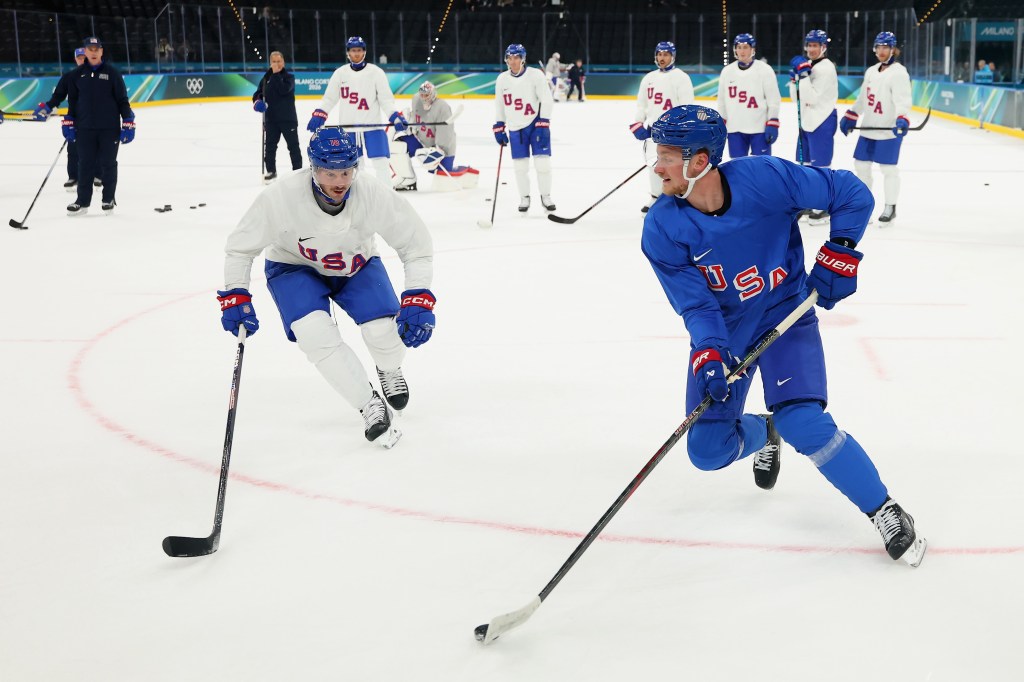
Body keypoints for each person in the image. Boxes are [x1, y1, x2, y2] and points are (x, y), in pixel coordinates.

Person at [640, 104, 927, 568]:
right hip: (729, 332)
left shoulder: (766, 179)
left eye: (667, 155)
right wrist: (710, 354)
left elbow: (851, 193)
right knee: (708, 451)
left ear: (699, 161)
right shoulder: (663, 227)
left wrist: (840, 252)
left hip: (786, 315)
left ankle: (885, 509)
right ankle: (764, 431)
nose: (657, 166)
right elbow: (696, 304)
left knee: (804, 423)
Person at [218, 127, 436, 448]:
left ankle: (389, 368)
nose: (338, 182)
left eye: (346, 171)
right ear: (313, 167)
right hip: (294, 267)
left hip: (355, 265)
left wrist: (418, 294)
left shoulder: (372, 194)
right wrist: (235, 293)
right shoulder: (281, 196)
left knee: (382, 335)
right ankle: (368, 404)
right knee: (314, 335)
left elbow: (415, 243)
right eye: (329, 172)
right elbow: (240, 247)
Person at [306, 36, 408, 186]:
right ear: (348, 53)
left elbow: (386, 99)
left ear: (364, 52)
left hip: (373, 127)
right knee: (355, 167)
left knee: (381, 164)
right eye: (353, 50)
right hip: (349, 129)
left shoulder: (376, 72)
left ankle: (386, 195)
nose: (356, 54)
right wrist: (320, 113)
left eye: (359, 50)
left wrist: (395, 117)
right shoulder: (340, 73)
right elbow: (329, 98)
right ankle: (360, 196)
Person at [839, 32, 912, 225]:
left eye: (885, 47)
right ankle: (864, 206)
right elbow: (863, 98)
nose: (881, 51)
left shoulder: (899, 73)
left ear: (893, 49)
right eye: (878, 47)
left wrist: (902, 118)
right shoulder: (871, 71)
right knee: (861, 166)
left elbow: (903, 100)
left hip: (888, 130)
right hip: (869, 129)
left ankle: (890, 207)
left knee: (888, 169)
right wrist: (852, 114)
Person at [63, 37, 135, 216]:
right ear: (85, 52)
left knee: (108, 164)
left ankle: (108, 199)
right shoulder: (76, 75)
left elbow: (122, 100)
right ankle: (82, 202)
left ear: (101, 52)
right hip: (85, 128)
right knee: (85, 164)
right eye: (90, 49)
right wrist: (69, 120)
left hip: (109, 128)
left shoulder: (112, 73)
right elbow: (73, 101)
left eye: (97, 49)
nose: (93, 52)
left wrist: (128, 121)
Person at [631, 41, 694, 213]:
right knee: (654, 165)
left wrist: (680, 128)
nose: (662, 58)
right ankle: (655, 197)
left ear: (672, 56)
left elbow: (687, 107)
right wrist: (638, 123)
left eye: (665, 54)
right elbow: (642, 105)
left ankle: (677, 198)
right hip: (654, 131)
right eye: (659, 54)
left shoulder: (681, 77)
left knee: (675, 167)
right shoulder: (649, 78)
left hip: (674, 131)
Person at [493, 43, 556, 213]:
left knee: (542, 163)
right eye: (509, 58)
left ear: (523, 59)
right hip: (515, 128)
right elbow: (499, 104)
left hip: (535, 124)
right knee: (520, 167)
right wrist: (499, 125)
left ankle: (545, 196)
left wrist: (544, 122)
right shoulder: (502, 79)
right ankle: (524, 197)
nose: (512, 61)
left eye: (516, 58)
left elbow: (546, 99)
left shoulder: (535, 75)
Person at [788, 29, 838, 225]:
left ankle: (824, 206)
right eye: (809, 45)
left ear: (823, 47)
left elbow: (811, 98)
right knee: (806, 166)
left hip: (822, 120)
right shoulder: (809, 66)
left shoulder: (826, 68)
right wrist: (795, 78)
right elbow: (796, 98)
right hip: (807, 121)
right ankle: (810, 202)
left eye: (815, 45)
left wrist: (803, 75)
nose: (811, 49)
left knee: (821, 166)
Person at [390, 81, 478, 192]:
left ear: (433, 94)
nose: (423, 98)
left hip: (442, 149)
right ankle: (408, 180)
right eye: (422, 95)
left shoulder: (443, 107)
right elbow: (415, 118)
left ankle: (465, 172)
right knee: (397, 146)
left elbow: (446, 135)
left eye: (426, 95)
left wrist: (437, 152)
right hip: (420, 141)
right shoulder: (416, 99)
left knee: (443, 180)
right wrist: (408, 122)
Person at [33, 47, 100, 192]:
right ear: (76, 59)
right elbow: (58, 96)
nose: (82, 60)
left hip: (96, 118)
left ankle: (97, 175)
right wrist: (47, 107)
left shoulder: (99, 74)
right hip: (75, 118)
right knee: (73, 148)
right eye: (79, 58)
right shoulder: (69, 77)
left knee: (96, 147)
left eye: (84, 57)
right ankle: (73, 176)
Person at [716, 33, 782, 159]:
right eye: (739, 47)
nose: (741, 51)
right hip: (734, 128)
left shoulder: (765, 70)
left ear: (753, 49)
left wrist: (772, 122)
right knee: (737, 167)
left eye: (745, 47)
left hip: (759, 129)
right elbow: (722, 101)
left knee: (762, 168)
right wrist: (722, 123)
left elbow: (773, 100)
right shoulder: (727, 71)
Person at [253, 51, 302, 183]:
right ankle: (271, 171)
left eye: (279, 61)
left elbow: (283, 90)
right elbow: (258, 93)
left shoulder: (289, 77)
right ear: (270, 63)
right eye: (273, 62)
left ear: (283, 62)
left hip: (288, 119)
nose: (276, 64)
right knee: (270, 146)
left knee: (293, 146)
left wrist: (274, 75)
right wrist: (257, 102)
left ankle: (297, 172)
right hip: (271, 119)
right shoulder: (265, 78)